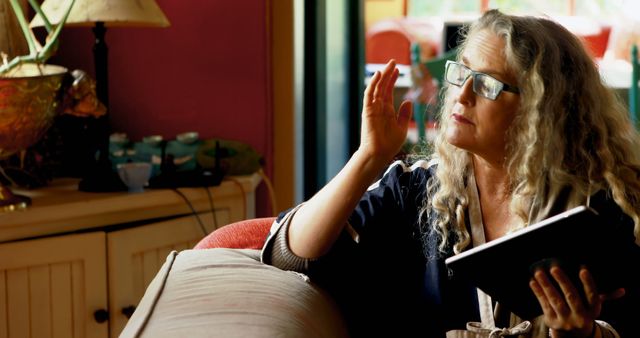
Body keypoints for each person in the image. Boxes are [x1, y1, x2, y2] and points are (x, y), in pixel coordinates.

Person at [261, 9, 640, 338]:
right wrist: (368, 157)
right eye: (462, 72)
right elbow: (288, 255)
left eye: (488, 84)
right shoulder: (417, 189)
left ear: (541, 110)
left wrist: (584, 335)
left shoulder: (603, 207)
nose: (462, 94)